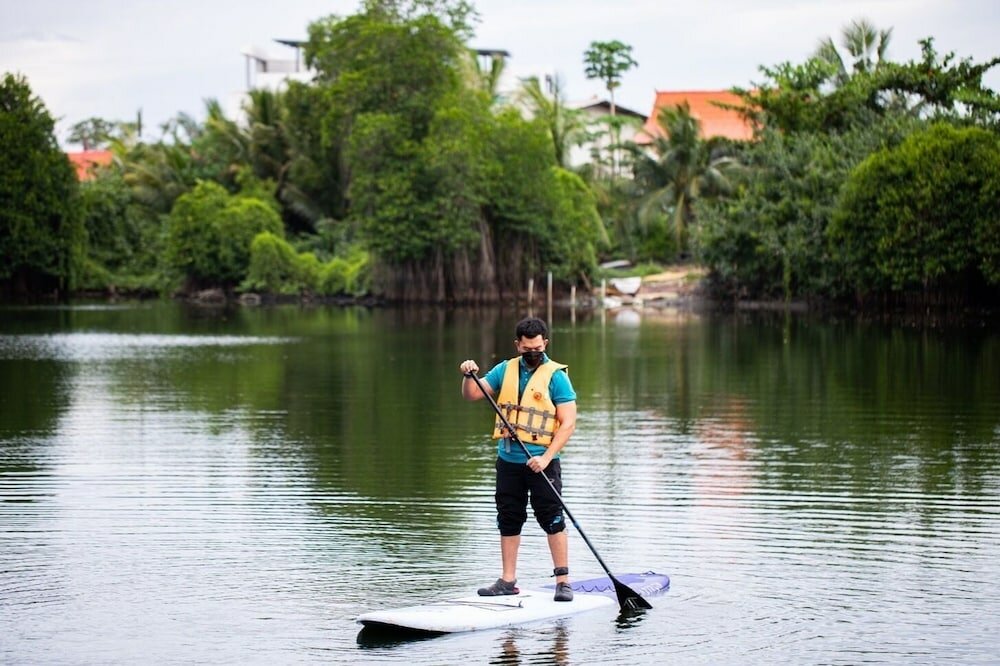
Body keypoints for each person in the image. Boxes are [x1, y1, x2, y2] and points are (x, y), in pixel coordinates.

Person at [459, 316, 577, 602]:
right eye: (527, 349)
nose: (533, 354)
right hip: (508, 462)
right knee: (509, 518)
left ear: (545, 343)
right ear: (518, 345)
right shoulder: (505, 369)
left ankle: (563, 582)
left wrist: (546, 458)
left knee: (552, 518)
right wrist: (468, 374)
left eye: (537, 349)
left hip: (542, 463)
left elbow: (568, 423)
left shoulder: (556, 376)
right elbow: (472, 394)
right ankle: (508, 580)